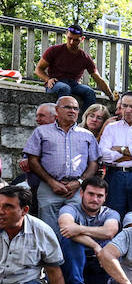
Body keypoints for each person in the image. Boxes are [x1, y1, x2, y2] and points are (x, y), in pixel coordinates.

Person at [24, 95, 100, 231]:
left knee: (76, 229)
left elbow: (94, 163)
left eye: (75, 108)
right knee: (47, 231)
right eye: (68, 107)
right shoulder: (41, 132)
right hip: (48, 187)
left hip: (77, 190)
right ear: (57, 110)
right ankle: (49, 253)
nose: (72, 111)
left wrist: (79, 183)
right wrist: (51, 182)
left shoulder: (87, 135)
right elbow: (32, 159)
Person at [55, 177, 119, 284]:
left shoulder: (110, 213)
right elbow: (66, 228)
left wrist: (77, 229)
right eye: (91, 194)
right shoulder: (69, 209)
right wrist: (96, 246)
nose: (95, 199)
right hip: (72, 266)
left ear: (105, 197)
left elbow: (109, 232)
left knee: (113, 245)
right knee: (69, 240)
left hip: (99, 267)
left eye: (99, 196)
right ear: (81, 193)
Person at [34, 25, 114, 115]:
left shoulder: (84, 57)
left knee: (90, 92)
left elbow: (98, 78)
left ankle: (84, 121)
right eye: (69, 38)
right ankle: (62, 118)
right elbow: (38, 70)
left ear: (82, 39)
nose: (71, 42)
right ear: (66, 35)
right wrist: (48, 79)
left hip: (74, 84)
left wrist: (111, 96)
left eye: (76, 40)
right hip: (56, 83)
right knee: (64, 88)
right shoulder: (54, 50)